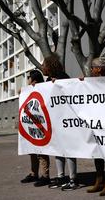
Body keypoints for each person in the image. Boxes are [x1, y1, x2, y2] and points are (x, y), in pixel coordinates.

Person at [41, 53, 79, 191]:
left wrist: (58, 84)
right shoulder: (46, 82)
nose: (42, 67)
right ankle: (61, 177)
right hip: (54, 122)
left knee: (69, 150)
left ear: (50, 66)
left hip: (66, 121)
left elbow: (72, 92)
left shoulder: (64, 77)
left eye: (44, 65)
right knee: (58, 149)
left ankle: (73, 179)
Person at [84, 56, 105, 196]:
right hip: (96, 123)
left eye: (92, 67)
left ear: (99, 69)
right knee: (97, 153)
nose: (91, 70)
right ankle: (99, 180)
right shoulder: (90, 83)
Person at [21, 69, 51, 187]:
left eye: (28, 77)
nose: (27, 80)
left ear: (33, 79)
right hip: (31, 125)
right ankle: (34, 173)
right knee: (32, 150)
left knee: (41, 151)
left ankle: (45, 176)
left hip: (41, 125)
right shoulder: (29, 90)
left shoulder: (44, 89)